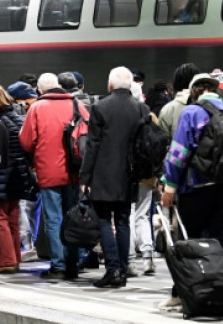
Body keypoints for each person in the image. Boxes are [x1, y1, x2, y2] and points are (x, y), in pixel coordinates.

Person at [158, 73, 223, 313]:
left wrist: (170, 185)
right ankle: (218, 292)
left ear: (194, 90)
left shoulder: (192, 113)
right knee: (218, 242)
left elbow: (179, 151)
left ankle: (182, 293)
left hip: (195, 187)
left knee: (188, 242)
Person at [20, 72, 89, 281]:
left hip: (48, 171)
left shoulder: (37, 108)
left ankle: (58, 266)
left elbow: (26, 140)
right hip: (74, 171)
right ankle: (74, 263)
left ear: (40, 90)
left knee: (53, 219)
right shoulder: (77, 105)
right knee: (73, 218)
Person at [80, 67, 145, 288]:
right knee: (124, 220)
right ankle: (123, 270)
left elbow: (92, 145)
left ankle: (113, 269)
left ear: (110, 85)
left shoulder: (100, 107)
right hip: (130, 173)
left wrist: (85, 178)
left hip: (104, 174)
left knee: (105, 221)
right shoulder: (141, 109)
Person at [0, 85, 34, 274]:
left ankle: (6, 260)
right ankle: (15, 257)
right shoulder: (19, 118)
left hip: (2, 175)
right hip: (19, 175)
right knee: (13, 217)